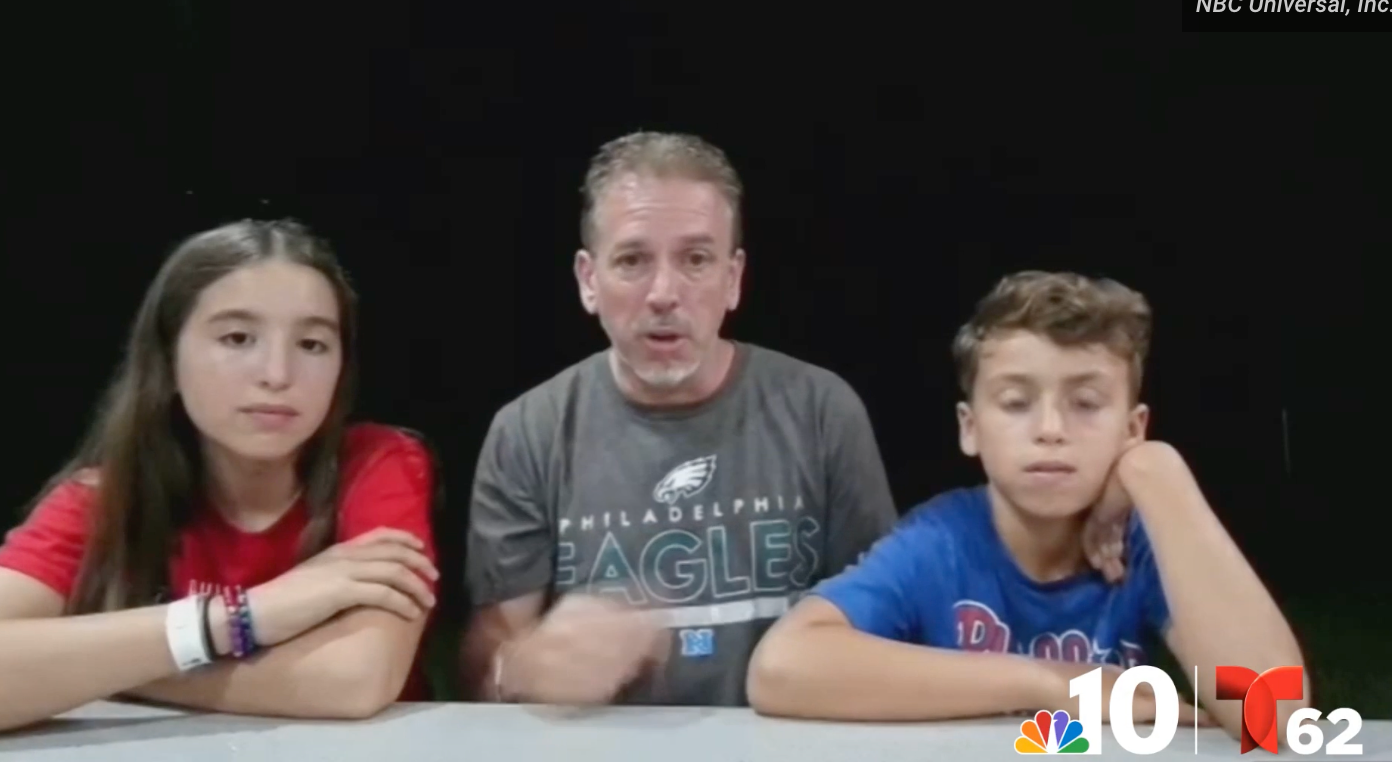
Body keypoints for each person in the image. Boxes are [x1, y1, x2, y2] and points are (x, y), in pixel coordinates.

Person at [746, 271, 1308, 744]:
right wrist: (1056, 684)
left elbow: (1273, 713)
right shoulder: (940, 541)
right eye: (1016, 402)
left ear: (1131, 427)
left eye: (1086, 403)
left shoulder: (1144, 543)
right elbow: (780, 669)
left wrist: (1155, 470)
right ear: (971, 428)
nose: (1050, 430)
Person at [459, 131, 899, 707]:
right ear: (589, 280)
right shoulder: (528, 432)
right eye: (633, 260)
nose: (664, 292)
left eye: (695, 259)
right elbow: (484, 663)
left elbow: (888, 622)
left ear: (734, 277)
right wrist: (517, 669)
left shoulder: (821, 411)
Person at [0, 219, 440, 732]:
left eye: (313, 344)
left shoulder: (378, 463)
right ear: (168, 358)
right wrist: (242, 617)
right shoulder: (102, 499)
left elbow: (353, 681)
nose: (277, 373)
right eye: (237, 337)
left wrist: (95, 663)